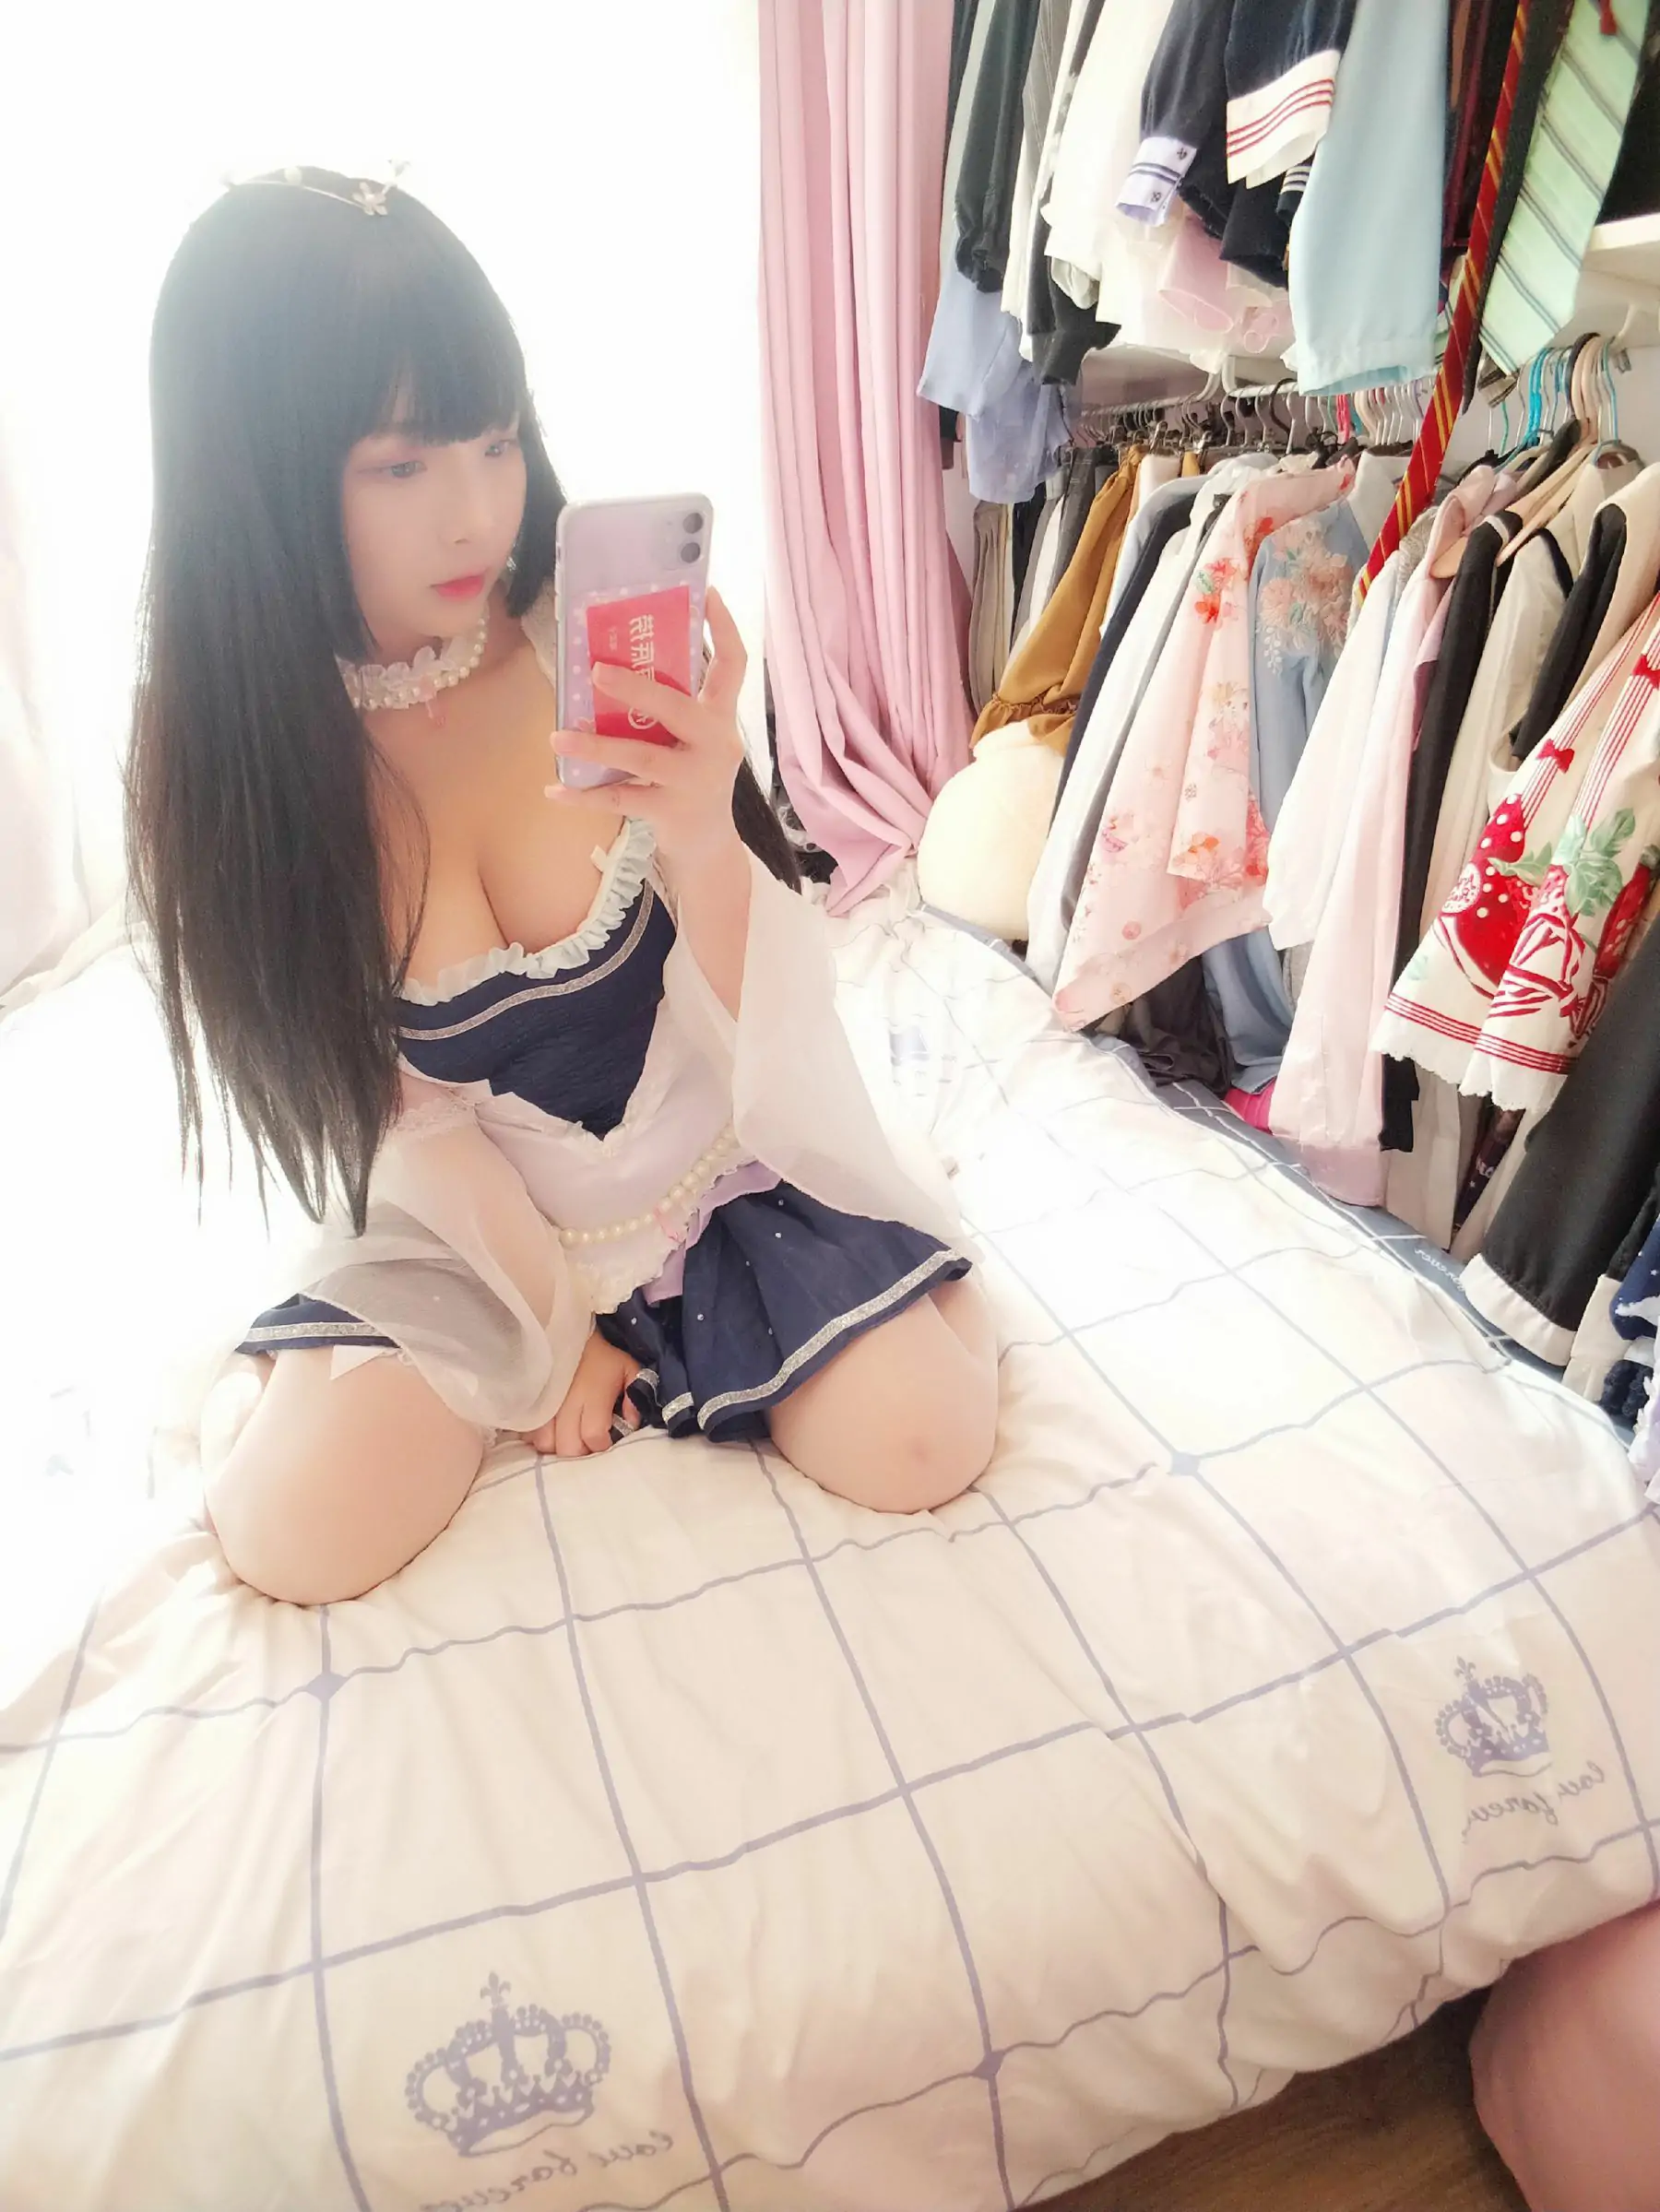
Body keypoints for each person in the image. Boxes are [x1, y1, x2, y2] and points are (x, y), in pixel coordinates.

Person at [125, 164, 1000, 1606]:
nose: (478, 514)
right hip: (467, 1226)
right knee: (293, 1532)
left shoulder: (578, 646)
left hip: (713, 1172)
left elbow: (768, 1012)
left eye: (496, 439)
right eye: (401, 466)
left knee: (926, 1435)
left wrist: (709, 825)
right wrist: (548, 1338)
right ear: (257, 474)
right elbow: (396, 1115)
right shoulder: (241, 764)